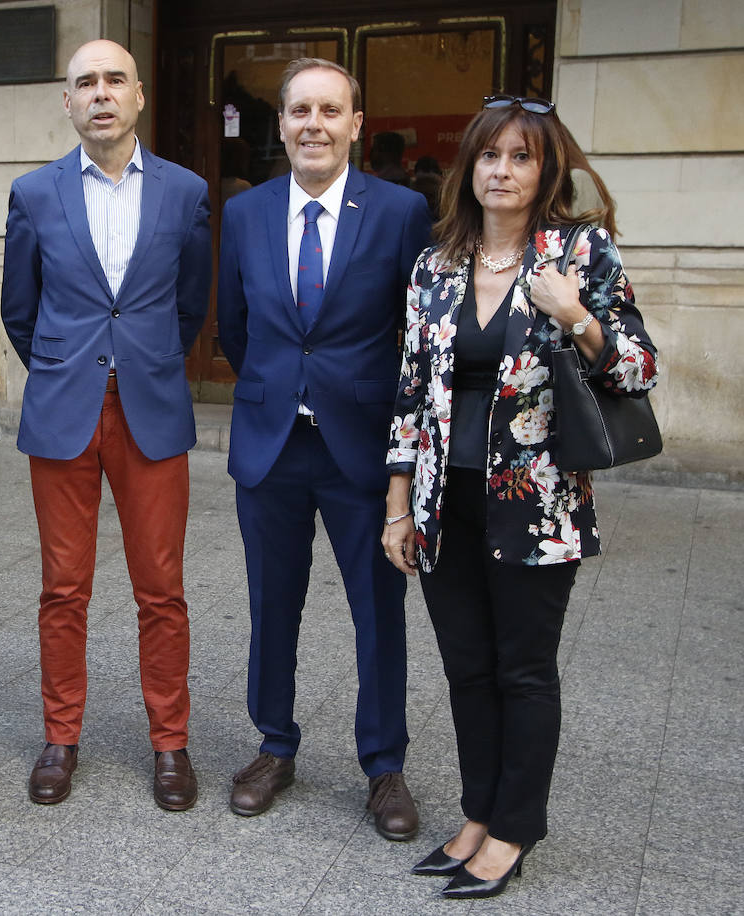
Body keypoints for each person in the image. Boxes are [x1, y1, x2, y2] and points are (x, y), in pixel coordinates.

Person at [383, 96, 658, 899]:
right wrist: (397, 505)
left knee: (524, 670)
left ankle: (513, 828)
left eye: (521, 157)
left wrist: (575, 316)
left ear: (548, 170)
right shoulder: (436, 264)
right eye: (489, 156)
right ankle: (477, 813)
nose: (502, 171)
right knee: (467, 667)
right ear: (469, 168)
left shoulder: (580, 250)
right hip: (442, 499)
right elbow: (408, 393)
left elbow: (637, 369)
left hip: (535, 501)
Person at [216, 58, 431, 837]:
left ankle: (384, 766)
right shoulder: (244, 213)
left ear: (356, 124)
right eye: (300, 110)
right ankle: (274, 745)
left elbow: (419, 335)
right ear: (280, 124)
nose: (314, 124)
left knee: (379, 610)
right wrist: (282, 389)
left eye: (330, 110)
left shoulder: (403, 212)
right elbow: (234, 326)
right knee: (273, 605)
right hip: (271, 445)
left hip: (363, 451)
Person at [1, 39, 211, 811]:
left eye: (113, 80)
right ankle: (60, 736)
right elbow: (19, 309)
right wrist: (66, 365)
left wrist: (144, 359)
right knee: (64, 588)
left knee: (162, 590)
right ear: (67, 102)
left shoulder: (186, 193)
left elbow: (191, 304)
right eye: (84, 82)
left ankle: (170, 743)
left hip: (150, 411)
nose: (100, 93)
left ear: (139, 95)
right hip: (64, 412)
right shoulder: (34, 192)